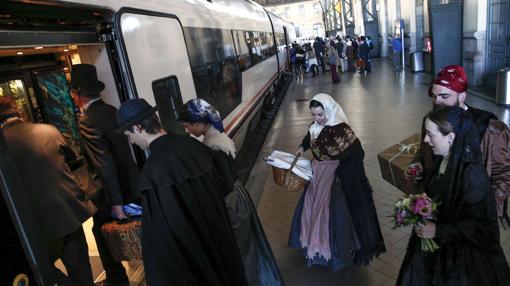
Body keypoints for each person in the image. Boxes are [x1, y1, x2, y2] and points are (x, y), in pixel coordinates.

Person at [115, 99, 248, 286]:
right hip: (221, 246)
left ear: (137, 128)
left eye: (129, 134)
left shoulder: (152, 172)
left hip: (196, 264)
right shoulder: (195, 146)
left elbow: (162, 244)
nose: (131, 141)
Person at [397, 106, 510, 285]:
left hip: (465, 265)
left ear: (450, 138)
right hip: (437, 251)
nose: (426, 140)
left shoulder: (473, 175)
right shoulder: (443, 161)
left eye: (431, 134)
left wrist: (438, 230)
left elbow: (485, 231)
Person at [177, 98, 283, 286]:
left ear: (200, 123)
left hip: (231, 203)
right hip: (237, 196)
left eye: (188, 126)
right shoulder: (217, 137)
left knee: (241, 248)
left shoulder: (213, 146)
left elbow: (224, 183)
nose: (187, 130)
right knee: (248, 244)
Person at [0, 96, 97, 285]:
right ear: (18, 111)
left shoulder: (4, 145)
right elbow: (73, 160)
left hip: (37, 221)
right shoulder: (48, 130)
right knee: (81, 269)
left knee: (44, 271)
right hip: (69, 210)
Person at [289, 93, 385, 270]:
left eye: (320, 114)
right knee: (312, 207)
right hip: (317, 172)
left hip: (335, 174)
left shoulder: (341, 129)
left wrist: (343, 168)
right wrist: (302, 148)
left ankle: (332, 250)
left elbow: (357, 152)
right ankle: (314, 245)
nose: (316, 119)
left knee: (326, 212)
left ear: (329, 110)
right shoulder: (316, 125)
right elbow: (309, 137)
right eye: (313, 114)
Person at [410, 65, 510, 228]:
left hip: (473, 221)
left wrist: (481, 206)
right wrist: (419, 163)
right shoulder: (431, 121)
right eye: (434, 97)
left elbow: (504, 175)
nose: (437, 102)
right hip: (436, 209)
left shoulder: (489, 128)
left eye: (444, 96)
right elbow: (424, 150)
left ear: (462, 96)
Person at [70, 64, 140, 286]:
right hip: (130, 183)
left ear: (76, 94)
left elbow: (104, 164)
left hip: (111, 193)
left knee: (101, 233)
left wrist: (116, 203)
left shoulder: (87, 120)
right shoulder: (111, 110)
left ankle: (117, 280)